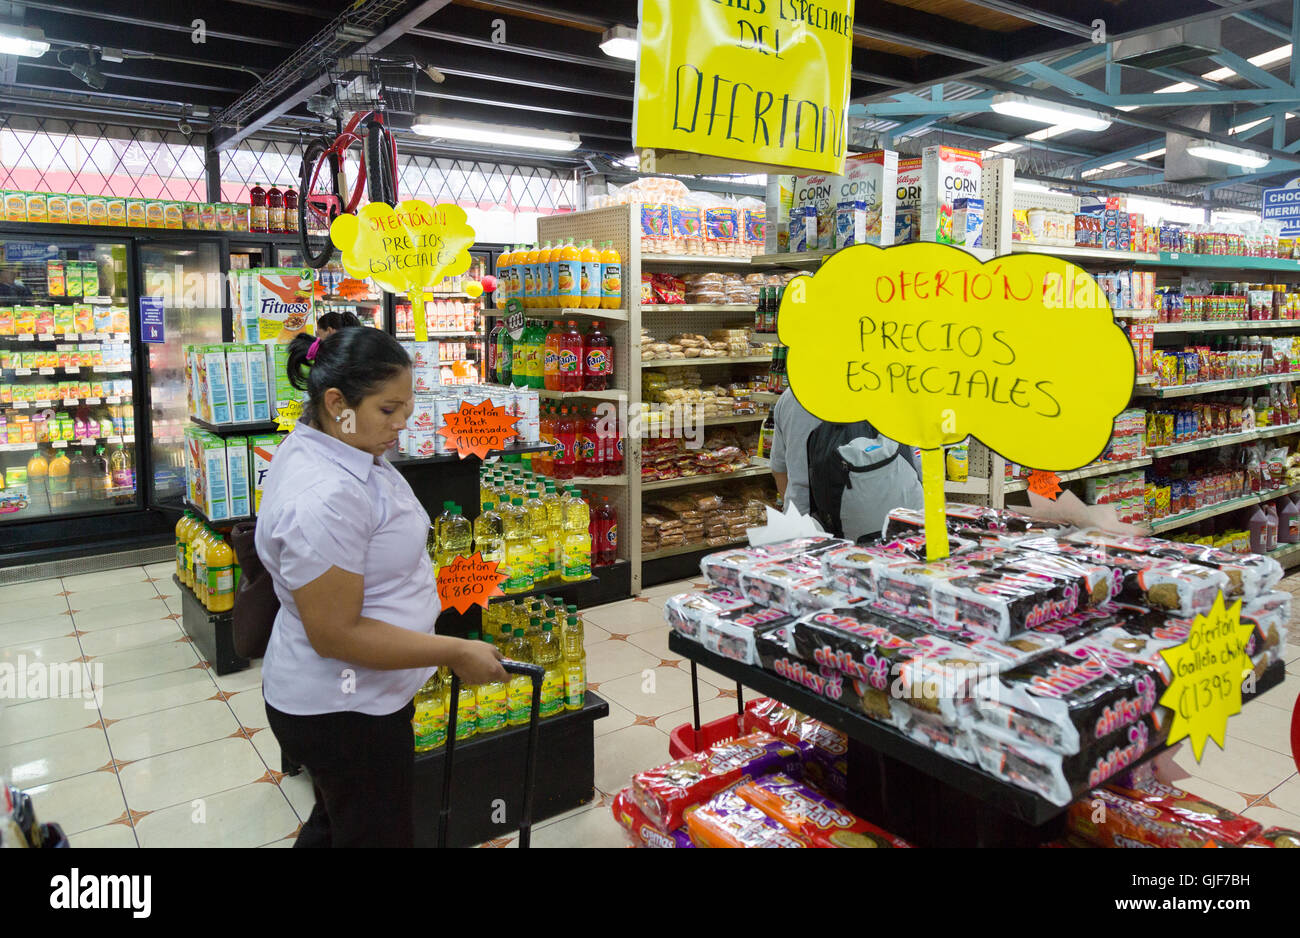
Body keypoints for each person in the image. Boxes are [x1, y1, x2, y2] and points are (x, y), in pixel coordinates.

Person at [255, 326, 506, 848]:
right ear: (335, 402)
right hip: (343, 709)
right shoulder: (325, 495)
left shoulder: (346, 448)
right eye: (388, 410)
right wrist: (455, 650)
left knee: (339, 823)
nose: (401, 425)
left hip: (361, 699)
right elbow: (337, 634)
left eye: (407, 409)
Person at [769, 388, 922, 516]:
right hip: (894, 520)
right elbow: (919, 464)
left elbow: (779, 470)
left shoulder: (792, 396)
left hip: (809, 525)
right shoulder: (891, 387)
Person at [768, 389, 822, 514]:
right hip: (857, 516)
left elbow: (779, 469)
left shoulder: (789, 397)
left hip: (801, 513)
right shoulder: (863, 392)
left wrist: (793, 514)